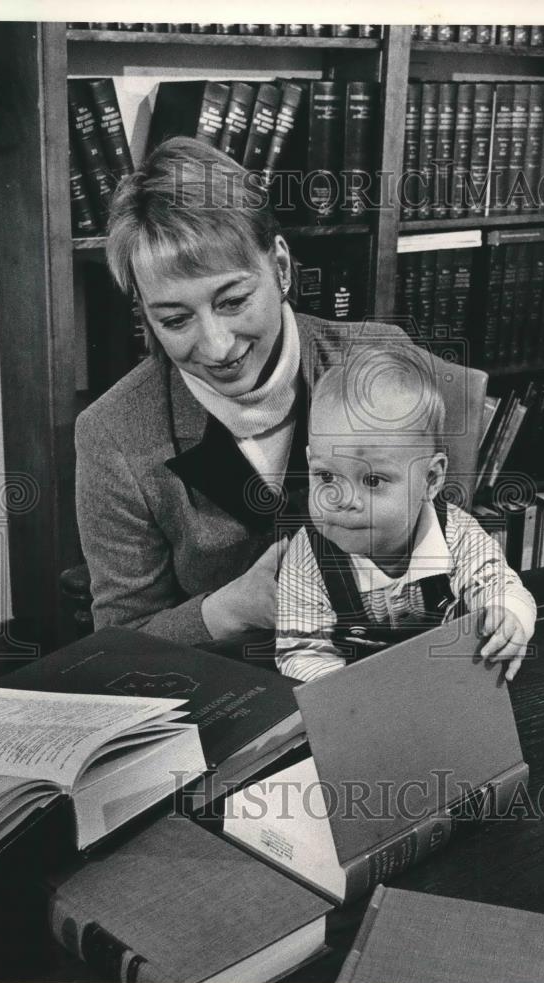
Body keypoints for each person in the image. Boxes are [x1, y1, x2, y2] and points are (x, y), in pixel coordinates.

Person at [74, 137, 483, 646]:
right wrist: (225, 611)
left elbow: (451, 541)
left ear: (282, 268)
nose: (218, 347)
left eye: (234, 300)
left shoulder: (378, 357)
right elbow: (119, 643)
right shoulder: (112, 434)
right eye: (175, 319)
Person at [275, 348, 537, 682]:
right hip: (357, 701)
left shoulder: (455, 534)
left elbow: (500, 584)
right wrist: (347, 699)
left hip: (447, 683)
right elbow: (302, 651)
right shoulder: (307, 557)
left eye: (372, 480)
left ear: (430, 480)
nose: (342, 499)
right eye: (326, 476)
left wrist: (507, 616)